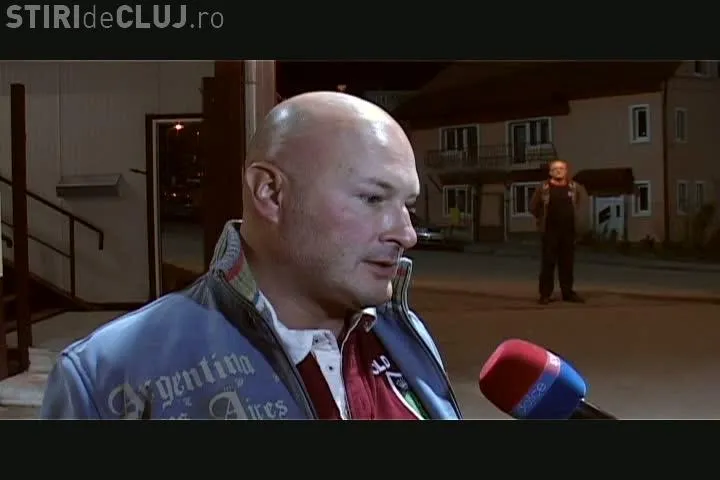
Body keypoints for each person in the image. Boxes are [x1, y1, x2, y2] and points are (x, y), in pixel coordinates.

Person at [39, 91, 462, 420]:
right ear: (270, 193)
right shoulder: (108, 374)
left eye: (407, 205)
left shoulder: (404, 333)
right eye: (373, 198)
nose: (406, 234)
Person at [529, 159, 588, 305]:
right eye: (555, 169)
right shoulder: (543, 188)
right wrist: (541, 219)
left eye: (561, 168)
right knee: (548, 263)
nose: (558, 171)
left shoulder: (574, 187)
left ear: (566, 171)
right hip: (550, 232)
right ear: (550, 172)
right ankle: (545, 294)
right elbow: (533, 207)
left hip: (568, 232)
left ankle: (567, 292)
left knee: (567, 264)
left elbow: (581, 203)